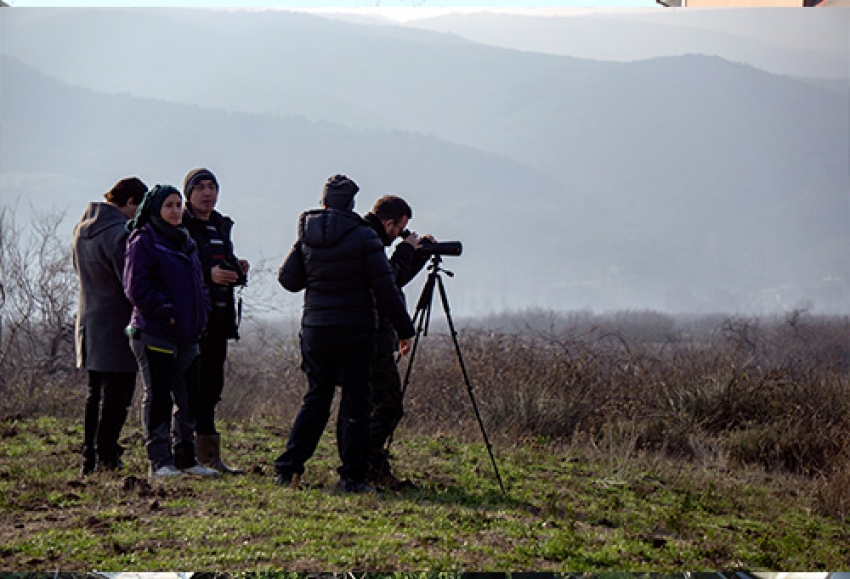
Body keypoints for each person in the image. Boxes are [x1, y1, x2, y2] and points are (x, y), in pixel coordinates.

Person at [274, 174, 416, 493]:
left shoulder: (306, 234)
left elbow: (288, 280)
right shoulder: (364, 237)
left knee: (316, 399)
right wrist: (405, 330)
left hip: (315, 329)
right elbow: (386, 290)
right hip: (354, 330)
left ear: (324, 201)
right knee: (356, 402)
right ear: (352, 203)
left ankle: (288, 468)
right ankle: (351, 477)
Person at [123, 184, 218, 479]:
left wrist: (201, 312)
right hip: (155, 332)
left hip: (188, 335)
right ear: (155, 210)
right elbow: (135, 287)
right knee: (159, 396)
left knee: (189, 398)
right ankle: (160, 461)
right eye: (169, 206)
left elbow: (196, 283)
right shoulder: (143, 241)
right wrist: (168, 312)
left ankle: (186, 459)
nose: (176, 211)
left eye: (178, 205)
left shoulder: (185, 241)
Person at [72, 176, 148, 476]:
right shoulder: (119, 234)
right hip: (117, 323)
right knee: (117, 396)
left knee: (94, 394)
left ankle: (89, 458)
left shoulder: (81, 229)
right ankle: (107, 455)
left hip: (89, 321)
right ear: (131, 202)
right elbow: (128, 282)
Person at [181, 168, 250, 474]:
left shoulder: (221, 225)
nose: (207, 193)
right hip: (193, 319)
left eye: (212, 187)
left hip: (220, 319)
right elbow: (178, 267)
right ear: (188, 193)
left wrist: (237, 270)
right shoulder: (179, 225)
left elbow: (221, 262)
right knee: (188, 389)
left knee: (212, 387)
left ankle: (208, 457)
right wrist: (209, 276)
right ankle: (183, 456)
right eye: (200, 188)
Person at [362, 195, 432, 489]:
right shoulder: (368, 241)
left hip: (373, 335)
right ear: (390, 223)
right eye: (400, 228)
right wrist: (406, 250)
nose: (399, 236)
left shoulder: (364, 237)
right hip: (370, 338)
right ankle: (368, 465)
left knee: (375, 406)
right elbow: (384, 283)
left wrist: (417, 255)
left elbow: (394, 280)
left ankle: (370, 466)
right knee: (388, 405)